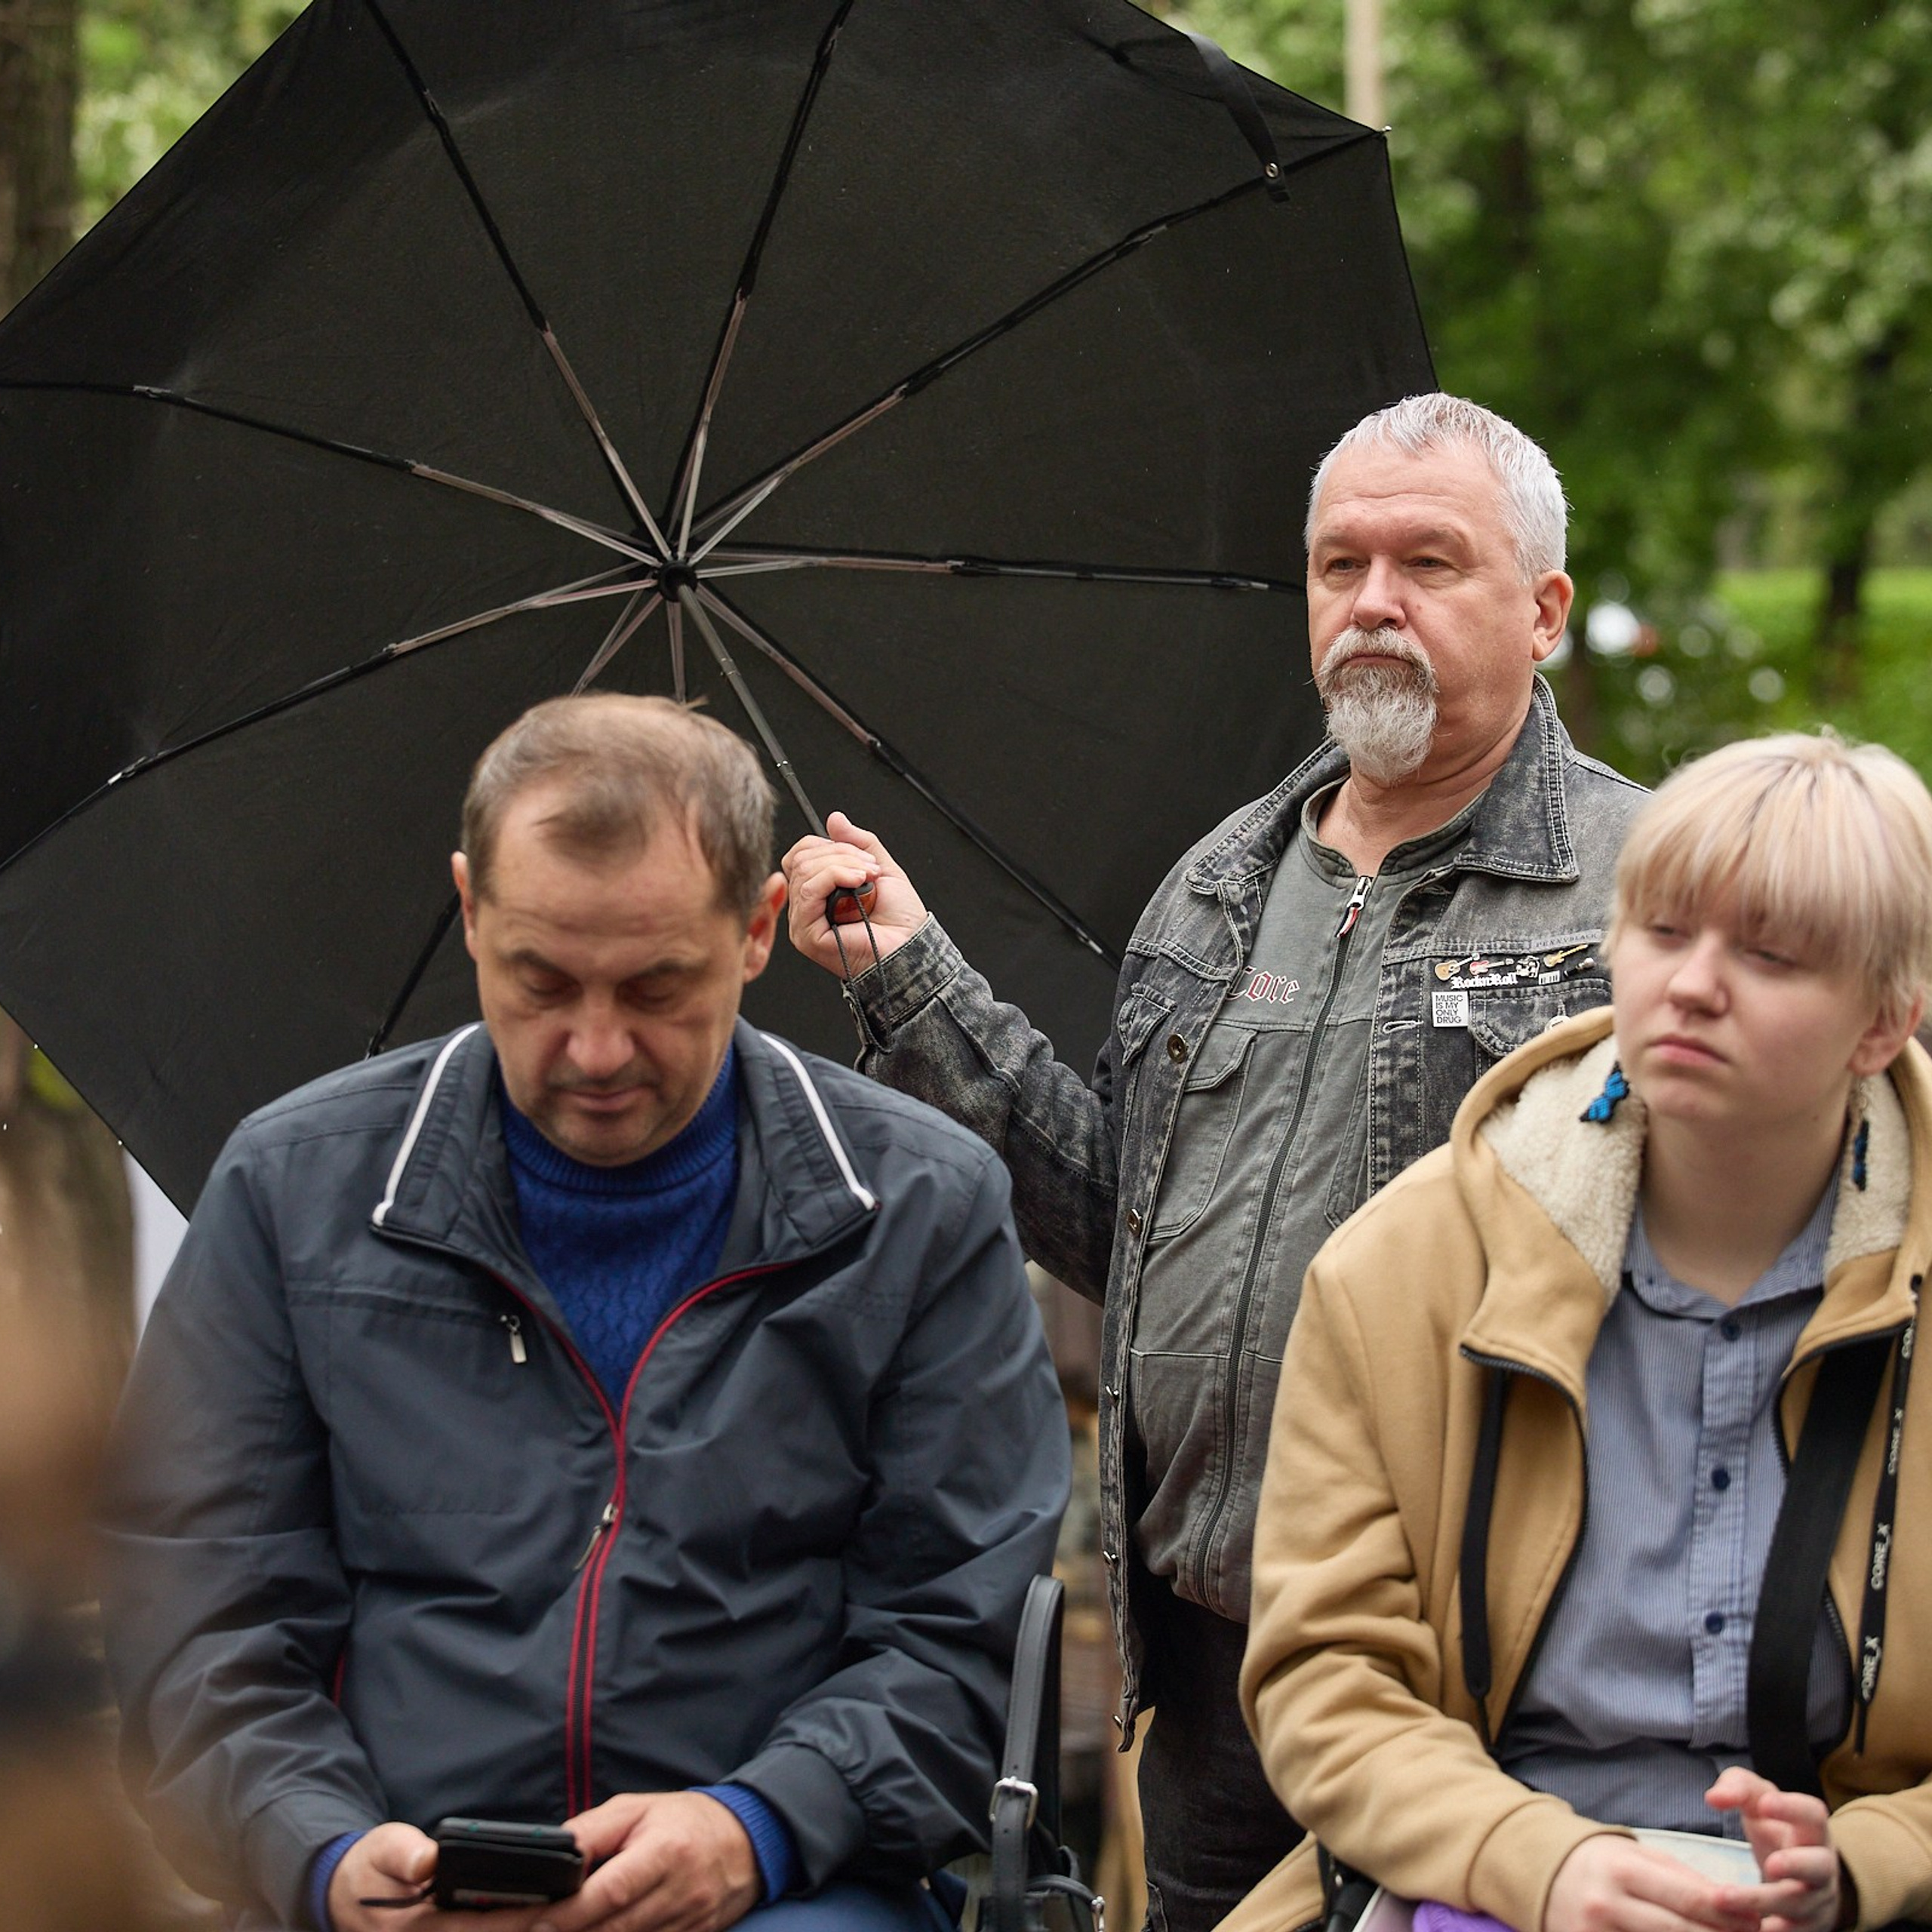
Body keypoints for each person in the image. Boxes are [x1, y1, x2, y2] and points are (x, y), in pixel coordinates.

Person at [781, 394, 1646, 1932]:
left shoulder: (1635, 894)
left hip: (1483, 1671)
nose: (1369, 603)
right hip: (1210, 1654)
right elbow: (1120, 1214)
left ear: (1542, 611)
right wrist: (904, 977)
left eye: (1426, 563)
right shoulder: (1219, 887)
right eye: (1336, 565)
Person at [100, 695, 1069, 1932]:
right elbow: (194, 1614)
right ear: (470, 908)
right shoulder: (293, 1190)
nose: (597, 1048)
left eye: (656, 988)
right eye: (542, 981)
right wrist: (321, 1850)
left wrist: (755, 1826)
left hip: (789, 1892)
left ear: (759, 929)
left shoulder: (919, 1209)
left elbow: (962, 1635)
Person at [1226, 732, 1932, 1932]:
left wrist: (1866, 1862)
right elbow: (1325, 1677)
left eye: (1767, 954)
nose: (1695, 983)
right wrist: (1533, 1864)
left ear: (1884, 1021)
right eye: (1663, 931)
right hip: (1474, 1887)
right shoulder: (1405, 1267)